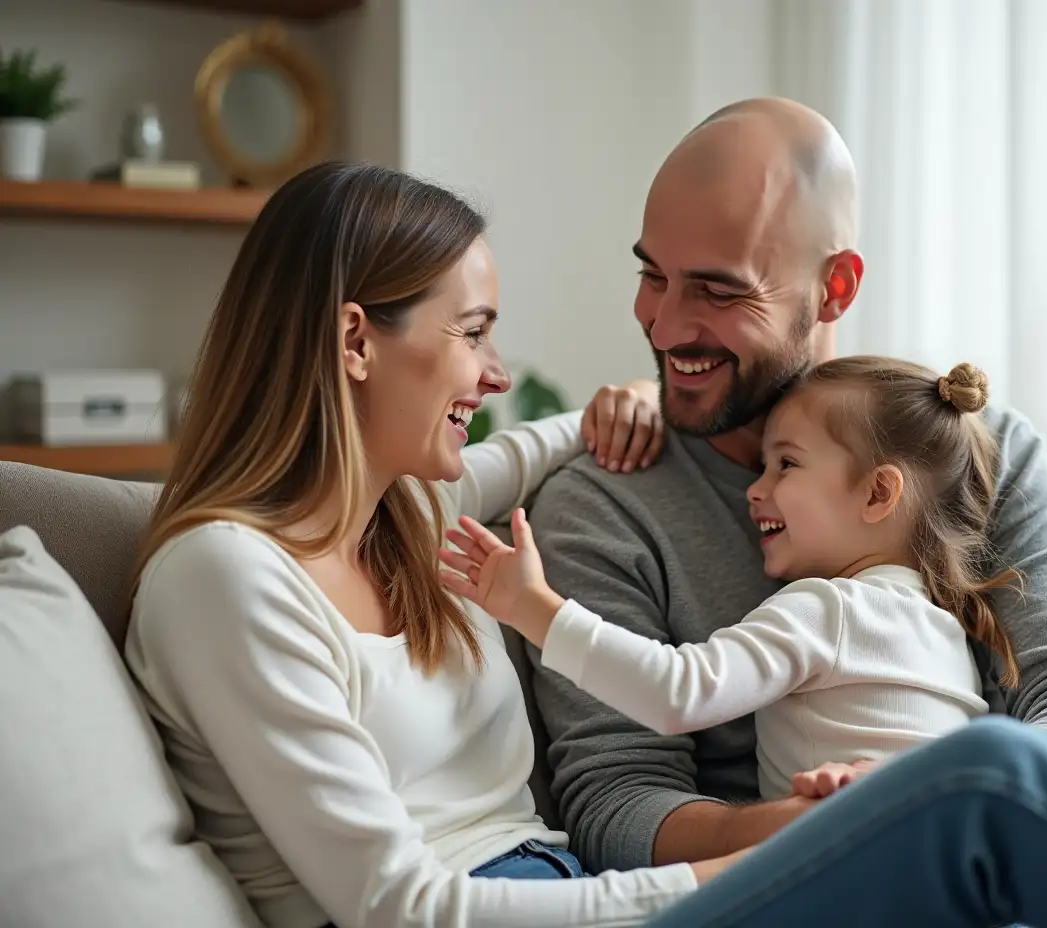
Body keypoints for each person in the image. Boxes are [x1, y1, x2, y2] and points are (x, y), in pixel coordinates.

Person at [525, 95, 1047, 872]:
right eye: (653, 275)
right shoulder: (604, 505)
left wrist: (970, 812)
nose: (661, 326)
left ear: (836, 289)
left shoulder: (973, 453)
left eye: (719, 291)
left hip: (1022, 854)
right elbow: (618, 803)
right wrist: (823, 826)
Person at [122, 161, 742, 928]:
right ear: (355, 340)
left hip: (559, 887)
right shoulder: (225, 578)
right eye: (474, 332)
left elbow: (572, 433)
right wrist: (716, 882)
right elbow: (399, 907)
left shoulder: (417, 513)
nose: (498, 375)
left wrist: (641, 397)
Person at [443, 356, 1017, 801]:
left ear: (877, 493)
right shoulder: (947, 629)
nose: (754, 489)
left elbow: (677, 693)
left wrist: (533, 606)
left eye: (786, 464)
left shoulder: (828, 610)